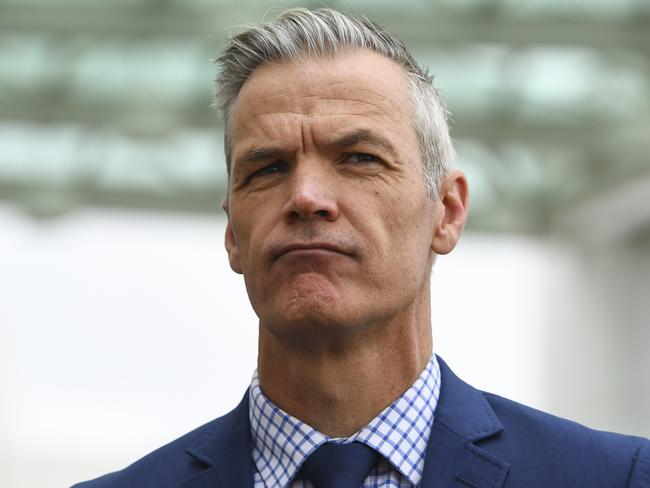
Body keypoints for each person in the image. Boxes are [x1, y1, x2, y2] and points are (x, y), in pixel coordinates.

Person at [74, 8, 650, 488]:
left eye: (358, 158)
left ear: (446, 212)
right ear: (233, 235)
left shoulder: (616, 477)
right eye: (268, 167)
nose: (305, 196)